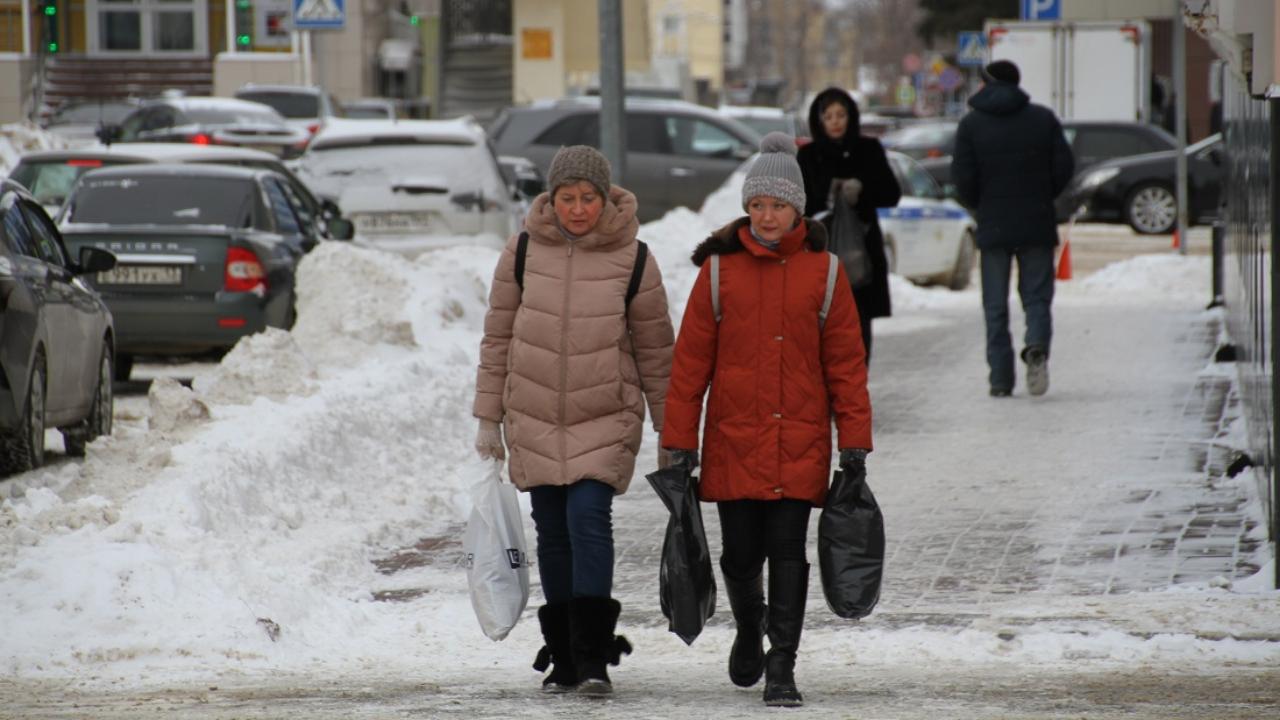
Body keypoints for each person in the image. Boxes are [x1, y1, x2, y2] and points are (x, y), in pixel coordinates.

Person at [661, 132, 873, 708]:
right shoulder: (718, 273)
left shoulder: (824, 274)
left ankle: (783, 663)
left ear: (797, 208)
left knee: (787, 550)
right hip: (733, 438)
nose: (768, 216)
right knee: (738, 554)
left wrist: (853, 443)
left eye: (778, 205)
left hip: (800, 439)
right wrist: (679, 443)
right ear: (746, 208)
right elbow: (689, 367)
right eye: (758, 205)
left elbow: (847, 367)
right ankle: (749, 627)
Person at [472, 145, 675, 696]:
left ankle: (592, 658)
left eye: (589, 198)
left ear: (606, 198)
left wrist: (670, 429)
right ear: (552, 198)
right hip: (534, 413)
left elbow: (656, 351)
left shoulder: (634, 258)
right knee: (553, 532)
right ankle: (563, 656)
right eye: (568, 198)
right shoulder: (520, 253)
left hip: (603, 414)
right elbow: (497, 340)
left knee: (588, 517)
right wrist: (488, 416)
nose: (578, 209)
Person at [951, 60, 1074, 397]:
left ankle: (1001, 379)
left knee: (995, 304)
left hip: (993, 223)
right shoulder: (1042, 119)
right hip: (1036, 220)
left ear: (988, 83)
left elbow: (962, 177)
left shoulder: (971, 125)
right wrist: (1042, 195)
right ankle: (1036, 346)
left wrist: (981, 203)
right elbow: (1064, 166)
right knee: (1036, 297)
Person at [797, 87, 901, 363]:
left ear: (851, 116)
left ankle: (855, 391)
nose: (835, 121)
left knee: (858, 323)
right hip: (820, 252)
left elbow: (891, 194)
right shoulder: (808, 156)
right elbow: (799, 203)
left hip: (860, 253)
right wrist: (827, 194)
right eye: (828, 115)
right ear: (818, 120)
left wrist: (862, 192)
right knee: (822, 325)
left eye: (840, 114)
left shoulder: (868, 150)